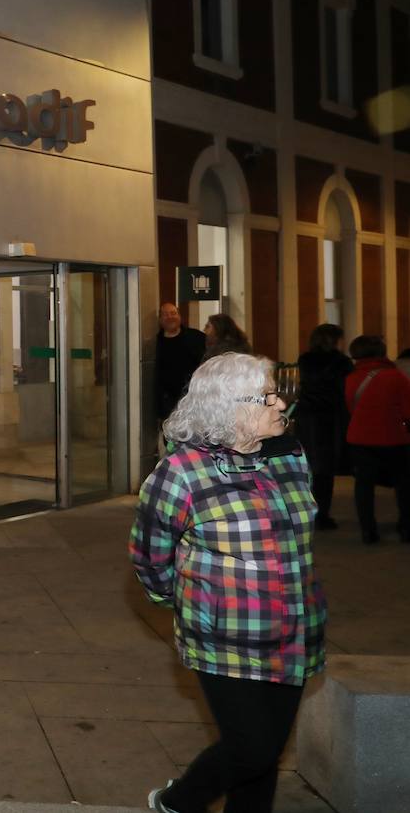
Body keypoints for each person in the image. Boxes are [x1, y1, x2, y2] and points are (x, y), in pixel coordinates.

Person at [131, 353, 325, 813]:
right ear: (230, 406)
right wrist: (179, 600)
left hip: (295, 628)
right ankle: (179, 802)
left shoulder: (290, 454)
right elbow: (149, 553)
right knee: (251, 748)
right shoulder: (181, 471)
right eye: (269, 396)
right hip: (224, 636)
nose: (282, 404)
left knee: (264, 757)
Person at [343, 335, 410, 544]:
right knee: (404, 486)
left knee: (364, 486)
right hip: (394, 437)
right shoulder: (396, 377)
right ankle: (406, 529)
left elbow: (350, 406)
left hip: (360, 437)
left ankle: (368, 531)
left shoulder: (351, 377)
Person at [294, 324, 351, 529]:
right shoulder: (342, 362)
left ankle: (306, 511)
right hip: (329, 418)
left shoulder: (305, 359)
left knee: (308, 466)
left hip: (307, 417)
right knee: (325, 470)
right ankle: (322, 514)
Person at [155, 303, 205, 422]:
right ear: (160, 320)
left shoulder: (196, 337)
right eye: (165, 314)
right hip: (168, 404)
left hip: (194, 399)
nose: (170, 317)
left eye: (173, 313)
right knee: (170, 437)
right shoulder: (154, 343)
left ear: (179, 316)